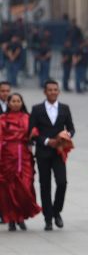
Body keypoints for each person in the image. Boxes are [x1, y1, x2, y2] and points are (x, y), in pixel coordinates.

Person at [29, 80, 75, 231]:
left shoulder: (64, 108)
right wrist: (48, 141)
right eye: (50, 90)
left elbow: (71, 128)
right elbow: (32, 132)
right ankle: (48, 218)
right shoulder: (37, 109)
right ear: (45, 92)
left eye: (55, 90)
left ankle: (57, 211)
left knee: (62, 182)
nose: (53, 92)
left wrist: (66, 135)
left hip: (59, 152)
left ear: (59, 91)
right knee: (45, 185)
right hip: (43, 152)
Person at [0, 93, 41, 231]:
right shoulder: (2, 119)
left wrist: (34, 135)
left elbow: (35, 132)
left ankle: (22, 215)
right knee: (9, 187)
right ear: (9, 103)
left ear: (22, 103)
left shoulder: (28, 118)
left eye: (18, 101)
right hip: (7, 155)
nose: (16, 103)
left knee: (26, 185)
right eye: (13, 101)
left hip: (24, 155)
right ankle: (11, 217)